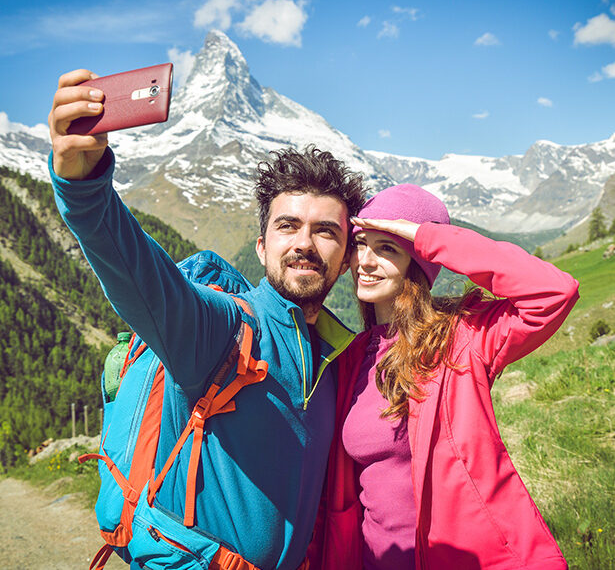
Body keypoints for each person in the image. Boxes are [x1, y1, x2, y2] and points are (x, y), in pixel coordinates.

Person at [47, 69, 367, 570]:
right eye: (288, 226)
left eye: (326, 231)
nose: (304, 243)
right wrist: (84, 190)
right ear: (262, 247)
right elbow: (145, 282)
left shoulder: (337, 360)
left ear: (346, 256)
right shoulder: (219, 330)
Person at [309, 184, 579, 570]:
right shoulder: (350, 358)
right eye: (361, 244)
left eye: (388, 248)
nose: (365, 261)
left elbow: (554, 292)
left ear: (419, 261)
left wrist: (425, 235)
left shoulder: (463, 338)